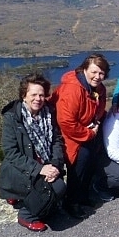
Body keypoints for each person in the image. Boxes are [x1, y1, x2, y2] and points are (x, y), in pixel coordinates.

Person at [0, 73, 66, 232]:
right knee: (58, 188)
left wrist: (55, 164)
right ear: (24, 96)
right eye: (33, 94)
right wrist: (40, 169)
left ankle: (22, 198)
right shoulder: (12, 117)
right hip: (21, 167)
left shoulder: (48, 113)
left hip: (45, 163)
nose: (38, 99)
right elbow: (11, 152)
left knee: (57, 188)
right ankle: (26, 215)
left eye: (41, 95)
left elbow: (56, 140)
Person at [49, 53, 109, 219]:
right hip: (67, 135)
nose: (97, 77)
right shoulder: (73, 89)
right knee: (80, 161)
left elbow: (99, 109)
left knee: (91, 159)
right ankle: (71, 201)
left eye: (101, 73)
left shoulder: (99, 88)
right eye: (94, 72)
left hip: (86, 131)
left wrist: (96, 123)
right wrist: (89, 133)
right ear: (84, 70)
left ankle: (83, 196)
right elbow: (66, 122)